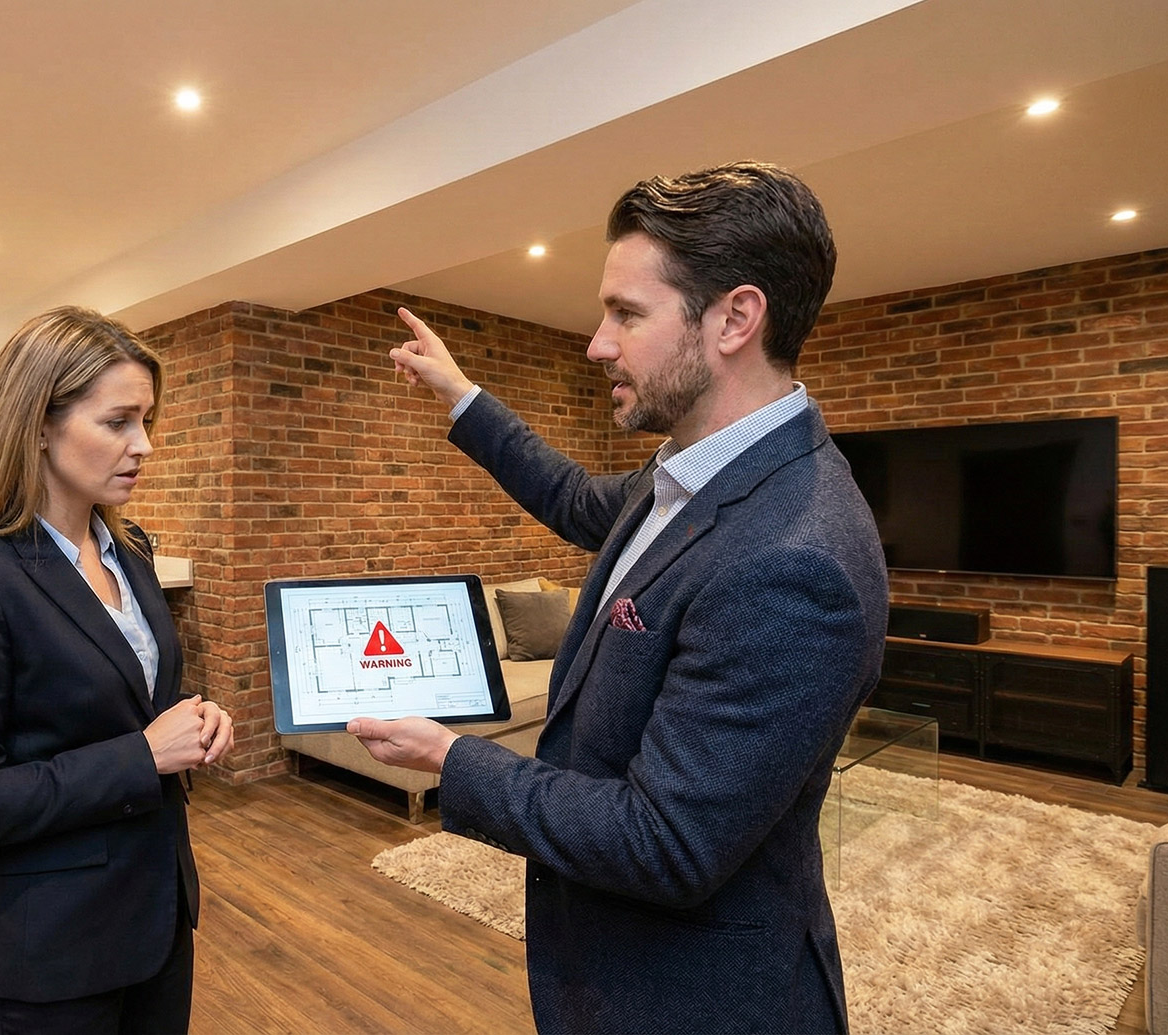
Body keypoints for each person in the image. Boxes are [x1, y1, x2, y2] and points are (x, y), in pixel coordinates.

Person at [351, 163, 889, 1034]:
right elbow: (573, 499)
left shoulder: (795, 559)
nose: (596, 342)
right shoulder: (689, 472)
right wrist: (462, 398)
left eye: (627, 314)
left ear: (734, 319)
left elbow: (665, 839)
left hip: (692, 999)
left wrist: (451, 759)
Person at [0, 305, 233, 1034]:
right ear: (38, 424)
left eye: (147, 420)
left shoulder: (135, 552)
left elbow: (125, 695)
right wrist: (145, 754)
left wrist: (194, 718)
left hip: (158, 923)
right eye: (118, 421)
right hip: (50, 955)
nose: (144, 445)